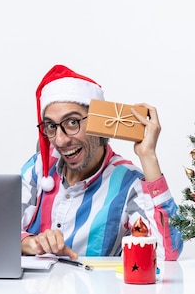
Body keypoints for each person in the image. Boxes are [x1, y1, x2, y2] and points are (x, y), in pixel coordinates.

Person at [21, 64, 183, 260]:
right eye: (51, 126)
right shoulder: (38, 168)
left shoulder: (129, 183)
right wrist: (28, 243)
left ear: (98, 122)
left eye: (72, 122)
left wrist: (148, 156)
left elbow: (166, 254)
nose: (61, 140)